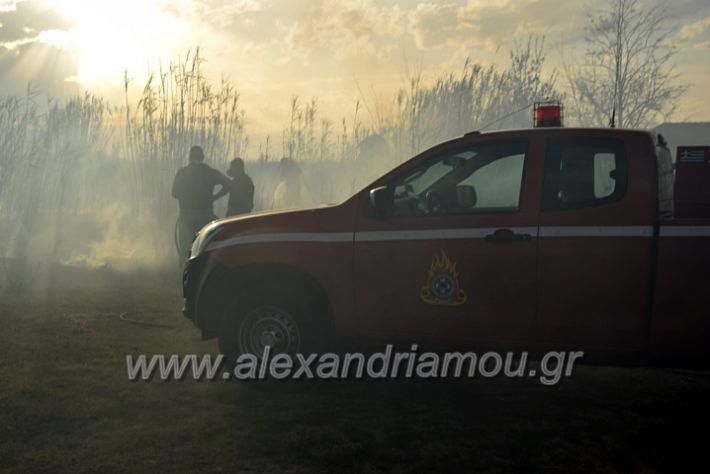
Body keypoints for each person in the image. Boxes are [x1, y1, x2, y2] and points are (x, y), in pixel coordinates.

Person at [171, 145, 230, 263]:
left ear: (189, 157)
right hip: (206, 215)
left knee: (185, 248)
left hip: (186, 216)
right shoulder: (210, 172)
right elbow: (228, 184)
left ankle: (184, 274)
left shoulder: (182, 172)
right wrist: (215, 197)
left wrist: (187, 196)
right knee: (206, 246)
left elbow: (174, 193)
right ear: (202, 157)